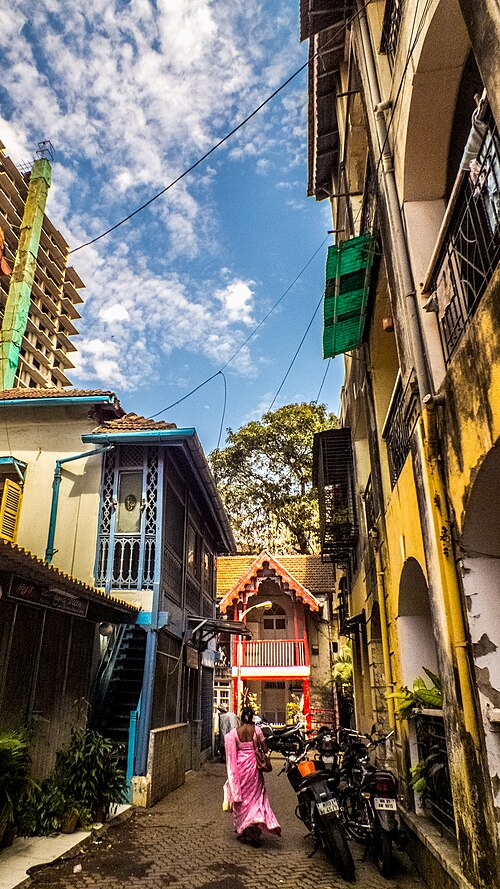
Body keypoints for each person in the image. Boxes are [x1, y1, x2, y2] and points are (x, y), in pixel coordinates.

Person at [223, 705, 281, 847]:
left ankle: (245, 827)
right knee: (255, 798)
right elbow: (265, 748)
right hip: (254, 768)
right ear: (252, 717)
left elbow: (231, 754)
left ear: (241, 718)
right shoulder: (257, 730)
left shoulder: (234, 733)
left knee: (243, 799)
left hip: (240, 768)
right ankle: (254, 824)